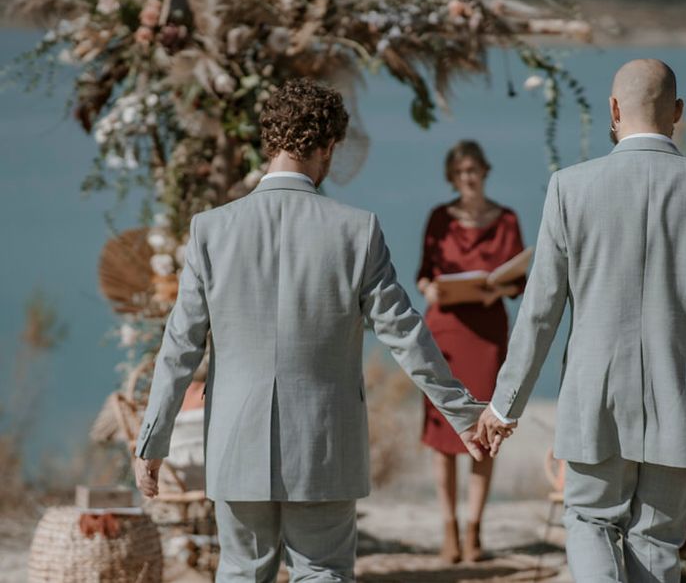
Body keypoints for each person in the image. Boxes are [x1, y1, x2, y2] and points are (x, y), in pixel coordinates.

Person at [133, 78, 487, 582]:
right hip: (325, 444)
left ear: (270, 142)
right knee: (321, 571)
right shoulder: (356, 229)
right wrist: (464, 414)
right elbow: (405, 333)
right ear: (327, 146)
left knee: (239, 571)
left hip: (236, 442)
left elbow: (179, 349)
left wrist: (152, 441)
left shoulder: (211, 230)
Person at [476, 59, 686, 582]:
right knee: (658, 544)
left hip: (594, 404)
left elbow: (540, 311)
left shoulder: (570, 188)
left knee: (590, 522)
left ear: (614, 110)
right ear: (678, 113)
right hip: (680, 403)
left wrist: (503, 405)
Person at [416, 140, 526, 563]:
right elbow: (424, 275)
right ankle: (448, 530)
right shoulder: (439, 218)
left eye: (474, 169)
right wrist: (434, 289)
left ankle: (475, 531)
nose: (468, 177)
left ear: (485, 170)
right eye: (460, 171)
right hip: (444, 331)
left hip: (487, 331)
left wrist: (495, 287)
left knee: (486, 430)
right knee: (442, 434)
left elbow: (518, 279)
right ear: (451, 176)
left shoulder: (508, 218)